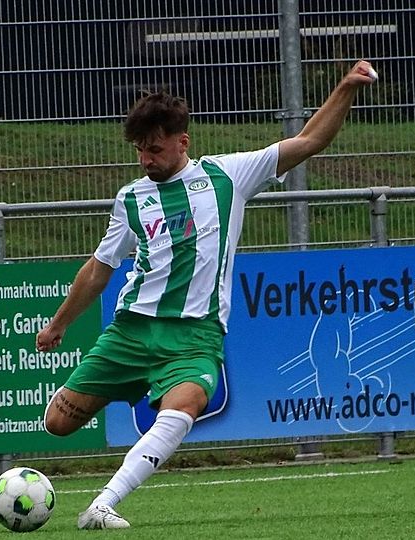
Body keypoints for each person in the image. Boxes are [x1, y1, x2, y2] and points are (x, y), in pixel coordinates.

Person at [35, 61, 378, 529]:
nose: (145, 160)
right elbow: (99, 269)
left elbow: (309, 141)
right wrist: (59, 323)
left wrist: (344, 88)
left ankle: (102, 504)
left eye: (154, 150)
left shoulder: (226, 177)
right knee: (57, 423)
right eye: (139, 151)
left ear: (183, 142)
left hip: (195, 336)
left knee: (188, 403)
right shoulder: (132, 198)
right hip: (131, 332)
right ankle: (133, 381)